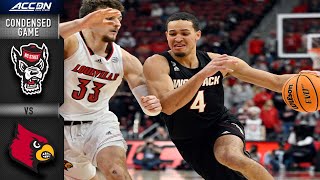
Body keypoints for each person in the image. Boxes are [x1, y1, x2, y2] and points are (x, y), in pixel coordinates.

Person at [143, 12, 320, 180]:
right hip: (187, 137)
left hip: (219, 123)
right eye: (173, 33)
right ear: (166, 35)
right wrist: (203, 74)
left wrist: (301, 79)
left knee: (230, 156)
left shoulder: (218, 61)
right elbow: (168, 106)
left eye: (184, 33)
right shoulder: (157, 63)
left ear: (197, 35)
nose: (178, 38)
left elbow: (274, 81)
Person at [59, 0, 161, 179]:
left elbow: (149, 107)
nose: (117, 24)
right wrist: (81, 24)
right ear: (89, 20)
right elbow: (35, 36)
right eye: (109, 19)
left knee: (116, 171)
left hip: (98, 124)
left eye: (119, 18)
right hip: (57, 127)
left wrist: (153, 105)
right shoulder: (70, 43)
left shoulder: (126, 60)